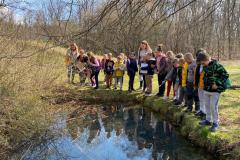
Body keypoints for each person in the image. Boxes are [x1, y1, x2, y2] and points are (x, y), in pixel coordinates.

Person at [198, 53, 229, 132]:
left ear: (207, 59)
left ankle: (215, 123)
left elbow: (225, 75)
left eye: (203, 62)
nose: (202, 64)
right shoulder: (205, 66)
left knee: (213, 106)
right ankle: (208, 120)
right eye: (201, 63)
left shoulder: (218, 66)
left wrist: (217, 84)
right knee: (207, 105)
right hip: (206, 89)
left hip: (215, 91)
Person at [194, 49, 207, 118]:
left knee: (205, 99)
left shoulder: (207, 64)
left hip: (205, 85)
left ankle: (205, 113)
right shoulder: (198, 65)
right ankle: (202, 110)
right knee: (201, 98)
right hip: (199, 85)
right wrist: (196, 85)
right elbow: (197, 75)